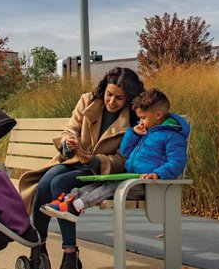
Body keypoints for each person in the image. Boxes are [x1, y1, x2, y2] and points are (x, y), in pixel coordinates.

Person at [16, 67, 144, 269]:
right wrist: (69, 144)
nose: (112, 101)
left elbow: (123, 160)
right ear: (103, 89)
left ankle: (69, 256)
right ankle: (39, 247)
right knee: (45, 182)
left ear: (129, 99)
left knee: (57, 182)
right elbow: (70, 130)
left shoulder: (134, 119)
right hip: (73, 161)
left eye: (119, 98)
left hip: (101, 171)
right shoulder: (87, 101)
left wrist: (93, 160)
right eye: (109, 94)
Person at [41, 89, 189, 223]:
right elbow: (125, 152)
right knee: (98, 184)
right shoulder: (148, 131)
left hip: (149, 185)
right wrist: (133, 133)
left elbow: (177, 161)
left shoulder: (172, 136)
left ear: (158, 115)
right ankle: (69, 200)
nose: (141, 122)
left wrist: (158, 173)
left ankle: (77, 206)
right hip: (131, 178)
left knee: (112, 186)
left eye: (143, 118)